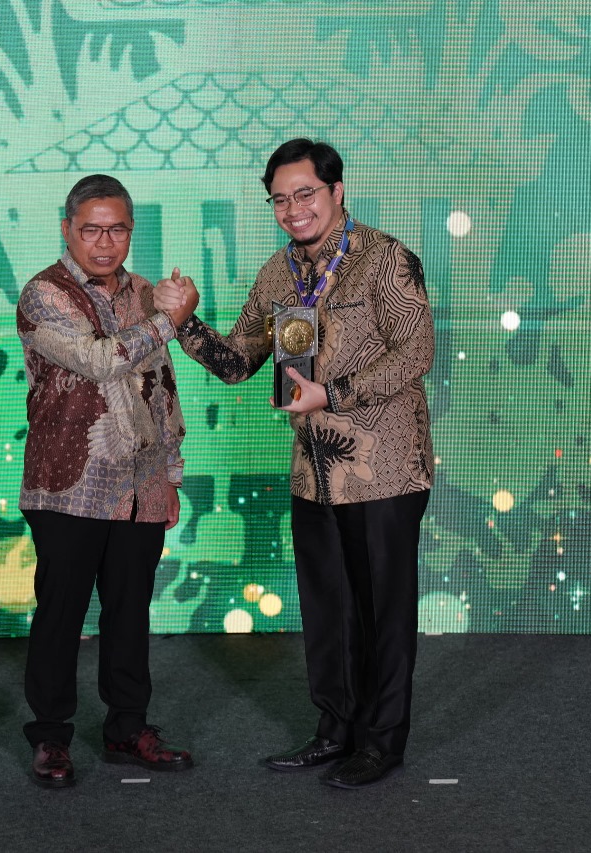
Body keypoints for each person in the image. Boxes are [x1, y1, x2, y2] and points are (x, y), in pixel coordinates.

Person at [155, 138, 434, 789]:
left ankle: (381, 743)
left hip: (386, 469)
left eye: (304, 194)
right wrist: (185, 322)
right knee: (329, 610)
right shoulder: (278, 274)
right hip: (314, 473)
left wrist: (330, 394)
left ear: (337, 192)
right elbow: (237, 363)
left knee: (382, 613)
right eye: (279, 200)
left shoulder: (385, 258)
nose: (292, 209)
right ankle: (335, 731)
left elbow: (415, 352)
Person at [16, 174, 196, 788]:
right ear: (66, 228)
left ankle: (127, 727)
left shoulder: (145, 292)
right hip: (69, 484)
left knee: (130, 611)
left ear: (131, 231)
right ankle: (51, 735)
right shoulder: (44, 292)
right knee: (60, 613)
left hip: (141, 482)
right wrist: (169, 321)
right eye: (91, 229)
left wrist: (170, 475)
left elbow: (161, 385)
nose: (104, 242)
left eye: (117, 229)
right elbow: (98, 360)